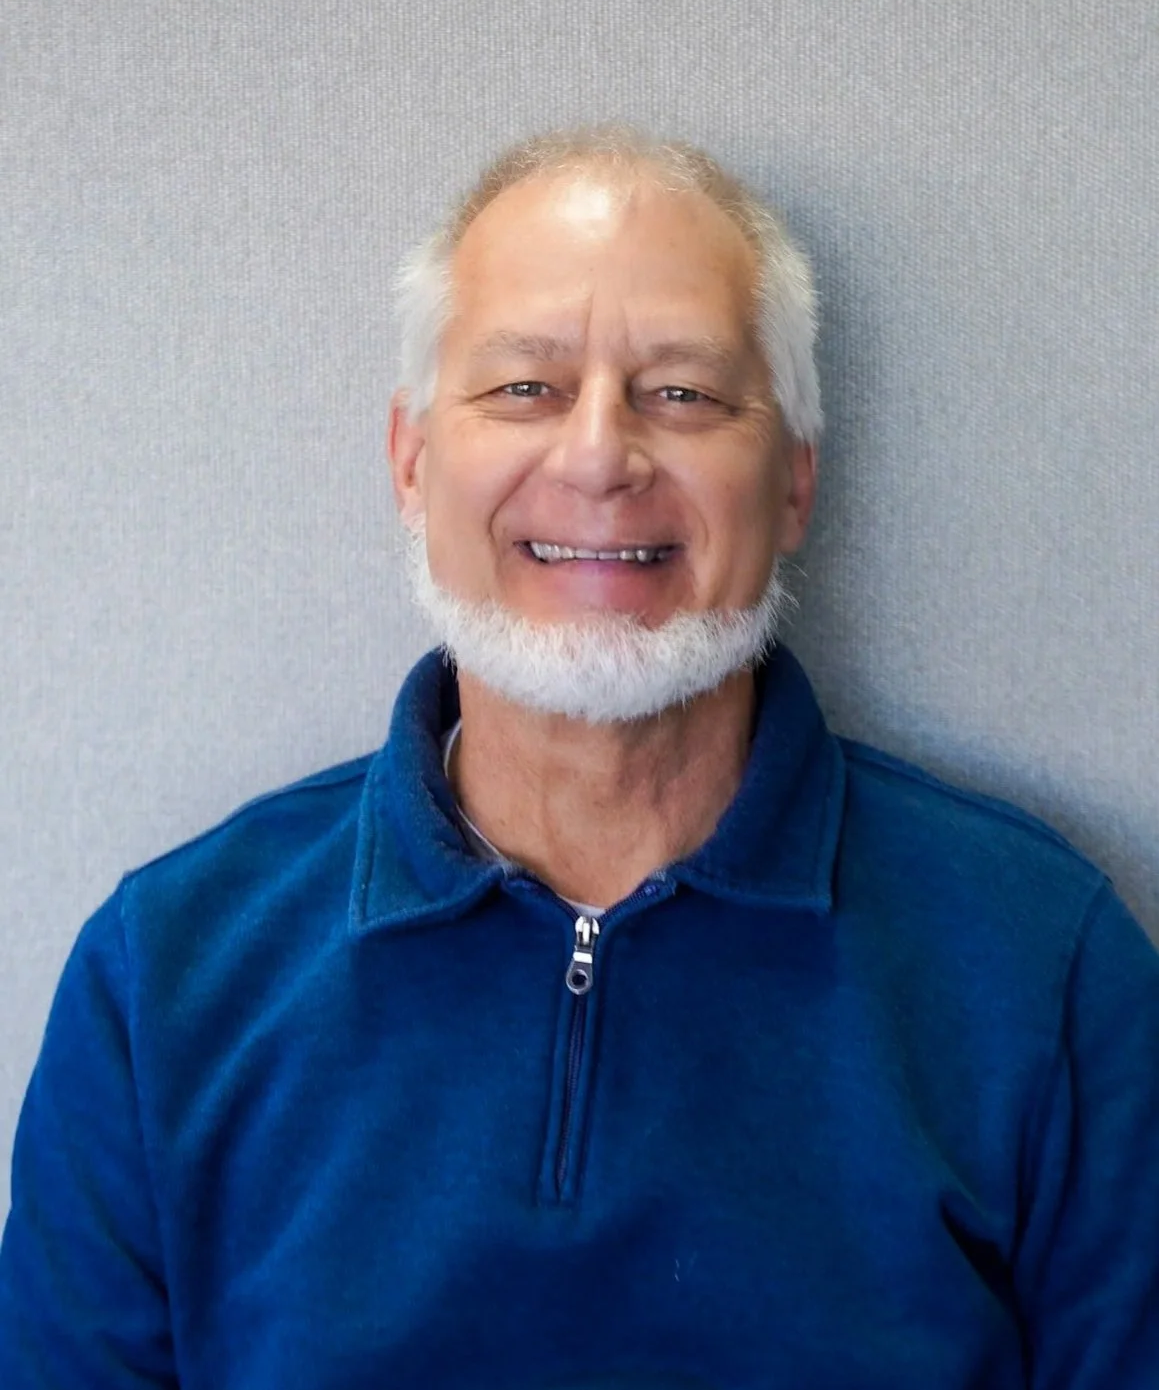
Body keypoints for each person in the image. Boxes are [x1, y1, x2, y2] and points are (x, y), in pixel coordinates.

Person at [1, 126, 1157, 1390]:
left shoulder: (1046, 968)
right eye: (524, 390)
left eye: (684, 393)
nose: (601, 457)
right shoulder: (160, 980)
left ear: (792, 487)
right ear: (409, 463)